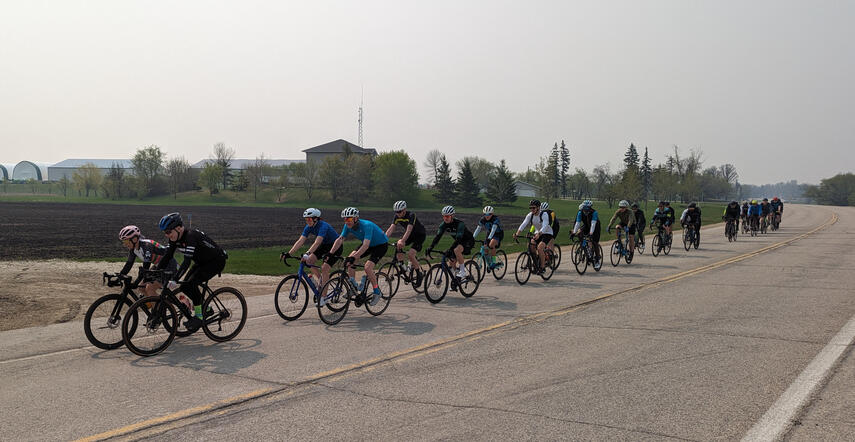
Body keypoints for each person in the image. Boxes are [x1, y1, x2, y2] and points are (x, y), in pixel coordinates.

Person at [157, 212, 228, 330]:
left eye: (168, 232)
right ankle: (207, 309)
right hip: (202, 262)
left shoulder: (190, 236)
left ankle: (199, 316)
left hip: (216, 261)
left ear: (179, 228)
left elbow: (186, 262)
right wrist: (156, 270)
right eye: (165, 233)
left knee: (191, 284)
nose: (167, 235)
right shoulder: (175, 238)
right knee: (185, 287)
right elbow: (167, 256)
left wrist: (175, 279)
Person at [328, 207, 388, 306]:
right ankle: (353, 288)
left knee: (368, 267)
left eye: (350, 219)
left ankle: (377, 291)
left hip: (380, 245)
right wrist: (330, 253)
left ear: (356, 218)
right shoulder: (347, 226)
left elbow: (365, 245)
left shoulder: (366, 225)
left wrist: (354, 257)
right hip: (368, 244)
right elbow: (340, 239)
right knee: (349, 261)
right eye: (345, 219)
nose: (347, 222)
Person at [283, 208, 341, 293]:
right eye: (306, 219)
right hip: (325, 245)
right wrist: (289, 253)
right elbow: (300, 241)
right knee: (309, 261)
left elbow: (317, 242)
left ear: (316, 218)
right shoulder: (308, 227)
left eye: (309, 219)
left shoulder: (323, 226)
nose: (307, 221)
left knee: (324, 268)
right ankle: (321, 280)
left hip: (336, 246)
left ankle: (323, 294)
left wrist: (307, 253)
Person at [117, 225, 178, 299]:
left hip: (170, 266)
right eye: (124, 242)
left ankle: (161, 307)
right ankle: (155, 306)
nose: (125, 244)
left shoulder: (146, 245)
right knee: (142, 288)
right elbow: (129, 264)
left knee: (149, 288)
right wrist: (119, 277)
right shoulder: (133, 249)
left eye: (126, 241)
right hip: (159, 266)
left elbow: (146, 266)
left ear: (135, 239)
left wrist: (136, 282)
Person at [426, 205, 476, 280]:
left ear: (452, 216)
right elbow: (438, 237)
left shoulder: (460, 224)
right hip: (458, 242)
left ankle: (462, 271)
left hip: (468, 241)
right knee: (451, 262)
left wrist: (451, 249)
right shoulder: (443, 225)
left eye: (447, 216)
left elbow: (459, 239)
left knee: (456, 250)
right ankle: (457, 278)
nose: (445, 218)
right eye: (444, 216)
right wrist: (431, 247)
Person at [384, 200, 427, 284]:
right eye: (396, 212)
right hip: (411, 236)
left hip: (419, 235)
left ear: (404, 209)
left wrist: (403, 241)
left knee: (411, 254)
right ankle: (403, 267)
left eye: (399, 212)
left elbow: (409, 230)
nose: (398, 214)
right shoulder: (397, 216)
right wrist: (384, 239)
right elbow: (391, 228)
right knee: (398, 246)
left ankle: (419, 274)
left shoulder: (411, 215)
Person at [513, 199, 554, 273]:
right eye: (530, 208)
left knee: (540, 248)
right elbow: (523, 224)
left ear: (538, 208)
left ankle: (542, 267)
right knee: (531, 245)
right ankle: (535, 263)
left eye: (533, 208)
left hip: (547, 233)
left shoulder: (544, 214)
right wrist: (517, 233)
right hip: (538, 232)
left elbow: (545, 226)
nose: (532, 209)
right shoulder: (530, 215)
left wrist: (539, 234)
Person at [473, 205, 504, 270]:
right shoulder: (482, 219)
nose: (487, 216)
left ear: (492, 214)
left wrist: (489, 239)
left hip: (498, 234)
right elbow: (478, 229)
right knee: (485, 249)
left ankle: (494, 262)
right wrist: (472, 237)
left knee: (491, 244)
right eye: (485, 214)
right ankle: (489, 264)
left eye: (489, 214)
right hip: (489, 233)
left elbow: (493, 229)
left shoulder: (495, 219)